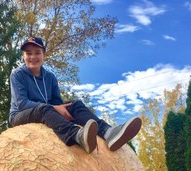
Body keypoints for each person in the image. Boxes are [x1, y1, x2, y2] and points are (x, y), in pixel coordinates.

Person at [9, 36, 142, 154]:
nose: (33, 57)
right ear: (23, 56)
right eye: (28, 53)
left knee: (75, 104)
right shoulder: (17, 74)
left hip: (45, 110)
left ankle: (108, 133)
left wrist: (63, 110)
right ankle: (77, 136)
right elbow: (22, 103)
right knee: (45, 109)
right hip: (20, 115)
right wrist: (55, 108)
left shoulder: (50, 77)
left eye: (37, 53)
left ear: (44, 55)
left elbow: (57, 103)